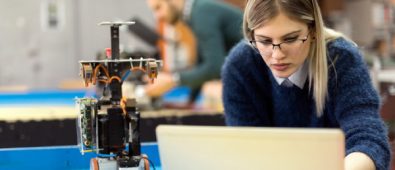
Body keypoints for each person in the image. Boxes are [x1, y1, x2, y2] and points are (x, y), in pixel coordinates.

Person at [221, 0, 391, 170]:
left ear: (313, 31)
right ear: (251, 36)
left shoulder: (341, 59)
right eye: (264, 41)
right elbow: (248, 152)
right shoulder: (240, 67)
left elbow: (368, 139)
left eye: (291, 39)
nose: (277, 54)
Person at [145, 0, 243, 103]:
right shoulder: (196, 12)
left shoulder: (202, 13)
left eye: (158, 7)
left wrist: (173, 80)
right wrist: (190, 101)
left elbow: (215, 67)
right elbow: (201, 61)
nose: (158, 17)